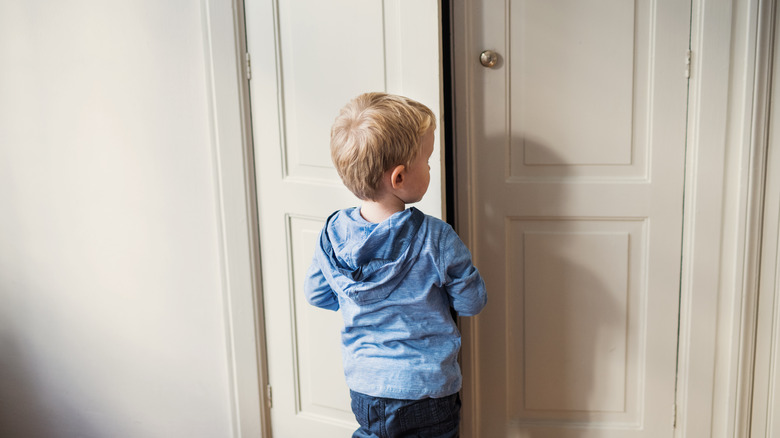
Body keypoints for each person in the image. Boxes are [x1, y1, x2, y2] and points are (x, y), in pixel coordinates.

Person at [304, 92, 487, 438]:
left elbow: (317, 293)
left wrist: (362, 300)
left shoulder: (331, 236)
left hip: (367, 387)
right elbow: (471, 302)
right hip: (428, 388)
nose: (431, 167)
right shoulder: (436, 238)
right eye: (428, 160)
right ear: (400, 178)